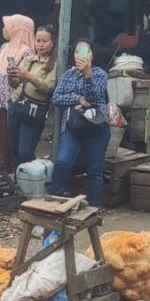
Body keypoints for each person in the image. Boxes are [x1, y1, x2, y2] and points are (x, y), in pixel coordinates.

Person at [49, 38, 110, 206]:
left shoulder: (99, 73)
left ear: (92, 54)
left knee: (95, 169)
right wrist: (77, 98)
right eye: (77, 51)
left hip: (96, 127)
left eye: (85, 51)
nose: (80, 55)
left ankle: (93, 208)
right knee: (62, 161)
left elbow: (96, 96)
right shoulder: (68, 75)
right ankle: (54, 203)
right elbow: (56, 97)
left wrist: (88, 74)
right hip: (73, 127)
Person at [8, 24, 57, 166]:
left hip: (33, 112)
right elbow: (15, 83)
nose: (40, 45)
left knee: (25, 152)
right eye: (38, 41)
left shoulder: (54, 64)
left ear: (52, 43)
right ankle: (18, 184)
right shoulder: (28, 58)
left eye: (44, 41)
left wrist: (29, 76)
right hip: (16, 106)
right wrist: (10, 75)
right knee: (14, 151)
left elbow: (49, 87)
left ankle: (30, 180)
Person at [0, 14, 34, 174]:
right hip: (1, 99)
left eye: (8, 26)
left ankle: (15, 172)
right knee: (2, 134)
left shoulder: (26, 52)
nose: (4, 29)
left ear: (17, 30)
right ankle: (3, 169)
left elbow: (24, 78)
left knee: (13, 136)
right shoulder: (4, 47)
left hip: (16, 100)